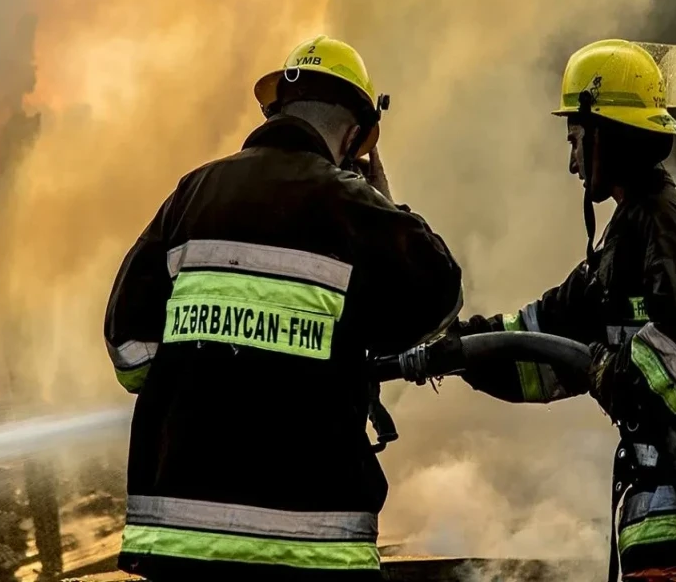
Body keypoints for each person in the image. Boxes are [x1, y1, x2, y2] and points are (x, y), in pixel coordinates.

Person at [102, 35, 463, 581]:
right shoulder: (353, 206)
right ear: (358, 136)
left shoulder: (192, 194)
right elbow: (441, 300)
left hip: (182, 540)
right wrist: (388, 205)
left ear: (275, 111)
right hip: (311, 544)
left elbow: (128, 350)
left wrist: (204, 377)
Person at [443, 39, 676, 582]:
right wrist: (451, 349)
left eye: (576, 139)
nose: (571, 162)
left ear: (607, 136)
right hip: (661, 535)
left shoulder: (659, 219)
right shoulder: (624, 241)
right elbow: (538, 346)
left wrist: (615, 370)